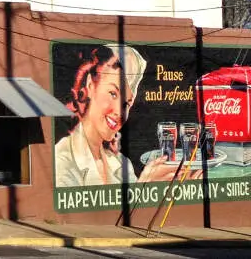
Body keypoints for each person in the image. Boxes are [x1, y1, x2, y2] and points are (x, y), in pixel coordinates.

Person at [55, 44, 196, 187]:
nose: (119, 112)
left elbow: (142, 209)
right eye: (113, 94)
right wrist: (144, 186)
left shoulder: (121, 163)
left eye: (127, 104)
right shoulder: (62, 162)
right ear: (90, 85)